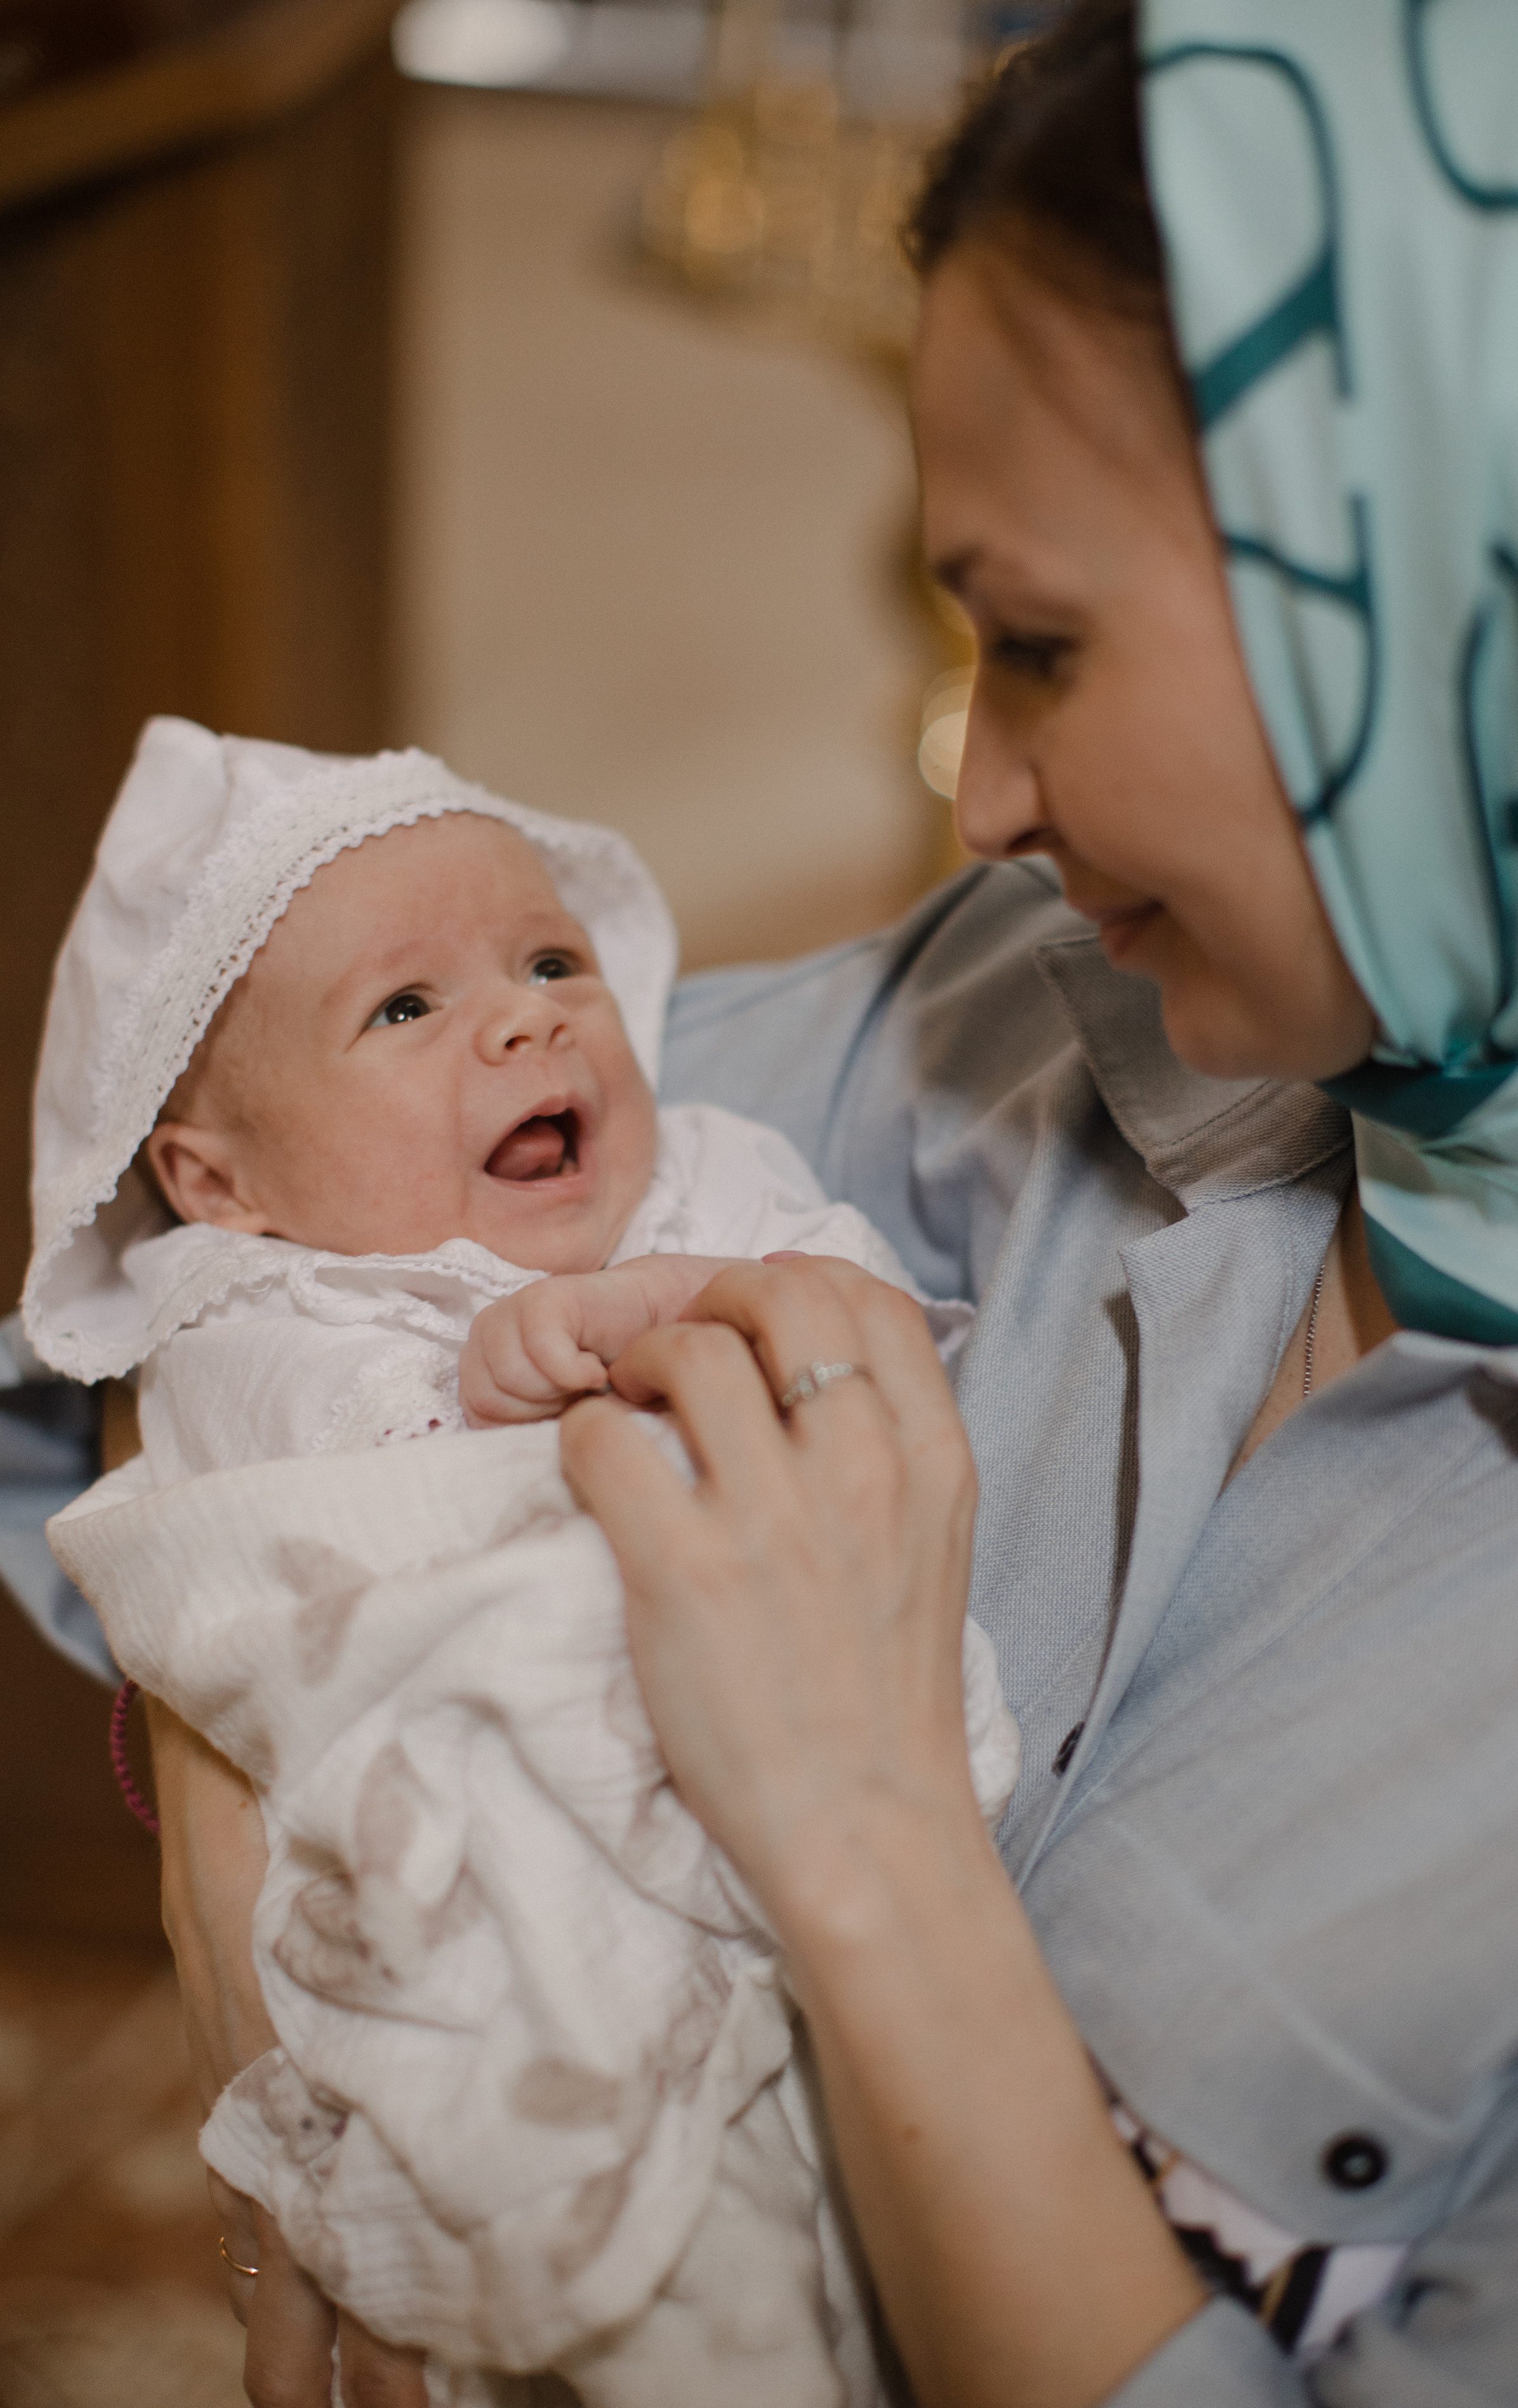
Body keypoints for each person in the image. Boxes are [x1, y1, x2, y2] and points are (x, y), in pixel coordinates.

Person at [145, 0, 1518, 2400]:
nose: (987, 805)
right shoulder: (1064, 1006)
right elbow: (225, 1241)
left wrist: (852, 1830)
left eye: (1037, 644)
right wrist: (279, 1818)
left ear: (1480, 595)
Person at [25, 717, 1013, 2406]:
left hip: (801, 1820)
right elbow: (294, 1539)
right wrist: (495, 1384)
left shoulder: (708, 1169)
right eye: (403, 1009)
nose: (528, 1010)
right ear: (219, 1183)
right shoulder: (262, 1314)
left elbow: (852, 1320)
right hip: (483, 1847)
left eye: (552, 957)